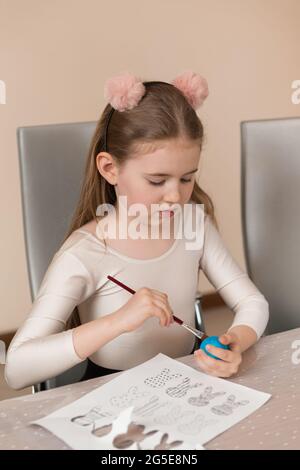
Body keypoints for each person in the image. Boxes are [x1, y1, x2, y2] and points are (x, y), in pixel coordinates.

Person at [5, 71, 269, 390]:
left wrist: (236, 341)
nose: (175, 195)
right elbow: (16, 370)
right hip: (109, 395)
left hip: (184, 383)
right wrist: (117, 322)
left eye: (187, 179)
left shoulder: (194, 225)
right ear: (110, 168)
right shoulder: (85, 253)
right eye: (157, 181)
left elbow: (253, 304)